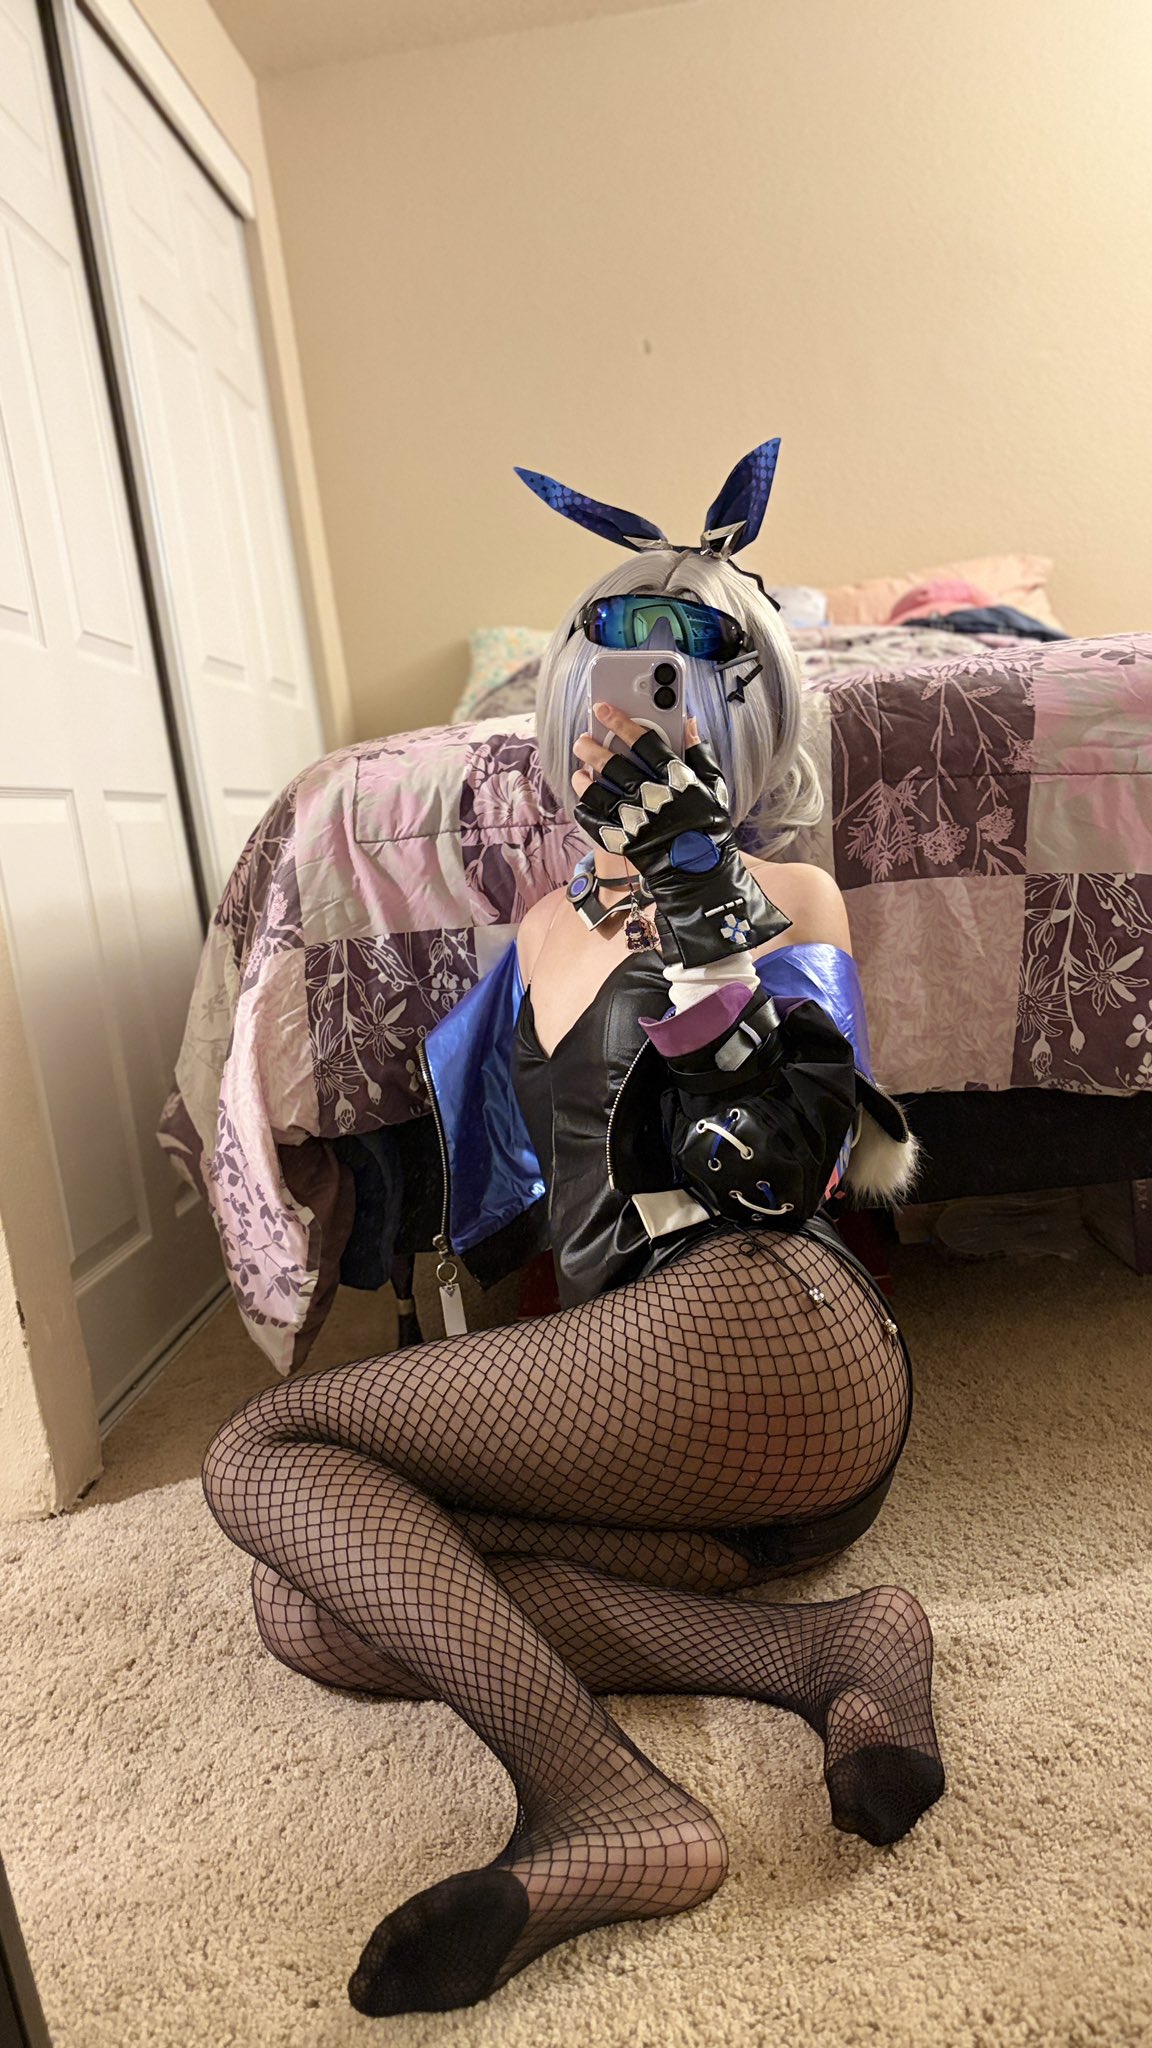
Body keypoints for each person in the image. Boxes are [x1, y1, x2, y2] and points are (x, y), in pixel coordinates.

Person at [201, 442, 944, 2019]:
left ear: (751, 717)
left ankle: (601, 1802)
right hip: (682, 1435)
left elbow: (783, 1168)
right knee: (318, 1599)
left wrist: (697, 890)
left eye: (694, 686)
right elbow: (517, 1200)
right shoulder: (540, 924)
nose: (647, 714)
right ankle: (832, 1652)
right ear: (563, 708)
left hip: (771, 1320)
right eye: (614, 682)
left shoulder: (790, 895)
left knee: (260, 1453)